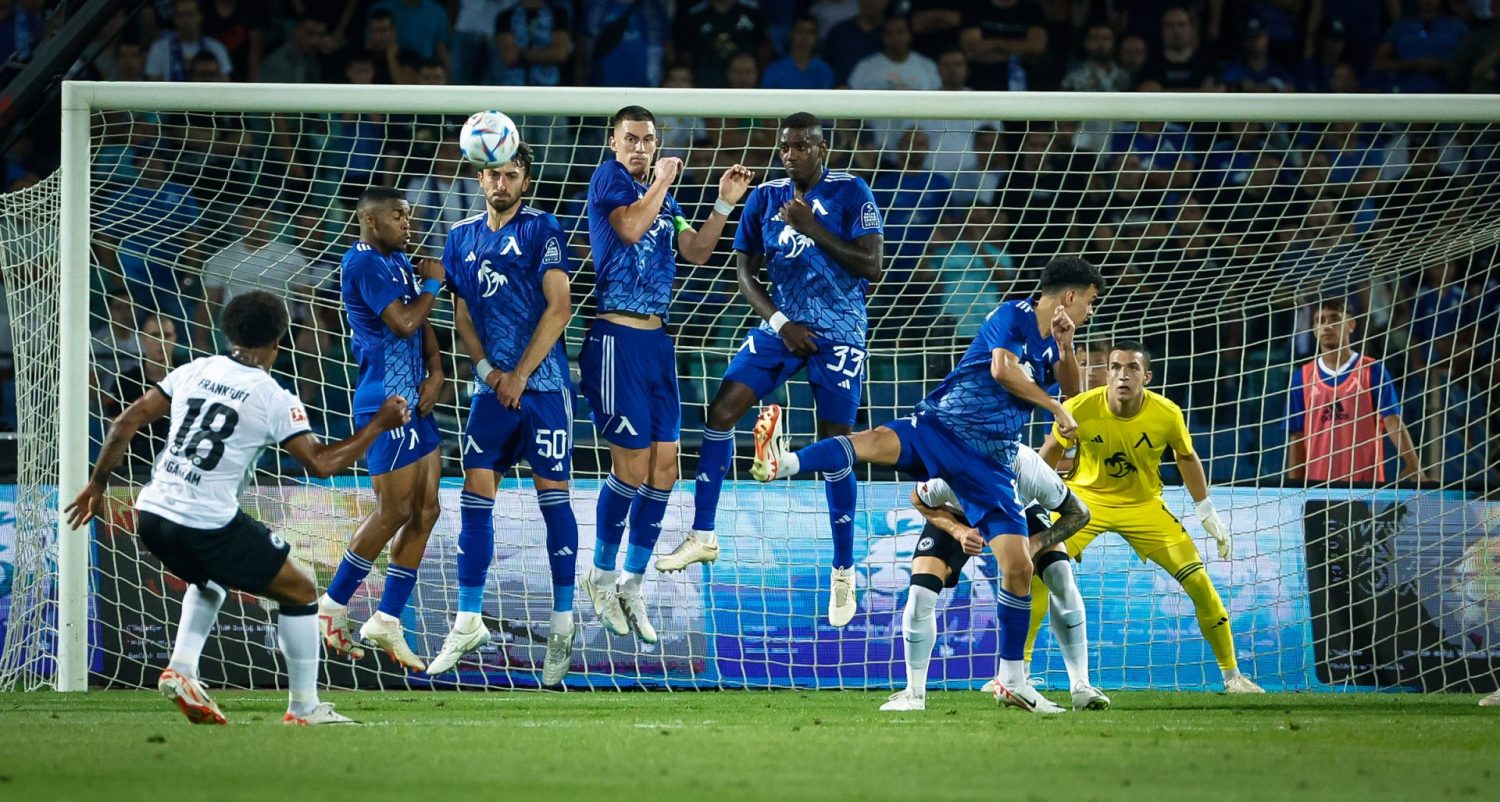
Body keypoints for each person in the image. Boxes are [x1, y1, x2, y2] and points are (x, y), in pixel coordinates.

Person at [752, 256, 1101, 713]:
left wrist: (1067, 346)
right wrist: (1053, 409)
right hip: (945, 427)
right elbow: (1002, 369)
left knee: (1019, 567)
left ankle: (1014, 679)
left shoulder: (1053, 341)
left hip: (989, 459)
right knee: (872, 441)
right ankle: (785, 463)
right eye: (1090, 302)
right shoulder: (1013, 314)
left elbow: (1073, 393)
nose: (1090, 311)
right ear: (1070, 295)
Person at [64, 291, 411, 725]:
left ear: (227, 332)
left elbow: (124, 422)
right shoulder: (273, 396)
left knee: (209, 579)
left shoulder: (195, 369)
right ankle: (304, 707)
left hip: (150, 513)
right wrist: (378, 424)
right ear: (278, 342)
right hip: (203, 522)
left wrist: (97, 483)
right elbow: (322, 464)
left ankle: (182, 668)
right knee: (302, 591)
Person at [660, 113, 883, 629]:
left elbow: (872, 265)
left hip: (840, 330)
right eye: (785, 147)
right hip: (782, 325)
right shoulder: (764, 198)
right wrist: (780, 323)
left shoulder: (851, 191)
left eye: (802, 146)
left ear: (822, 148)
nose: (791, 155)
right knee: (721, 410)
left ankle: (843, 568)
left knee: (837, 446)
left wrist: (813, 228)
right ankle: (704, 534)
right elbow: (744, 271)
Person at [577, 106, 753, 643]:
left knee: (665, 469)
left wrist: (724, 203)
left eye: (648, 140)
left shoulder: (666, 199)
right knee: (630, 469)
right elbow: (630, 228)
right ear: (613, 143)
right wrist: (660, 181)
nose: (640, 147)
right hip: (617, 339)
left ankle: (632, 582)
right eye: (630, 139)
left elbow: (696, 251)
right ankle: (599, 576)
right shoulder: (610, 180)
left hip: (658, 342)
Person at [425, 143, 580, 685]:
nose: (501, 183)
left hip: (545, 389)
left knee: (552, 499)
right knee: (475, 496)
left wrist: (519, 375)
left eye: (511, 175)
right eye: (493, 174)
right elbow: (463, 315)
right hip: (491, 390)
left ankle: (562, 624)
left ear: (526, 181)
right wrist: (491, 373)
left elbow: (560, 307)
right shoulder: (460, 236)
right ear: (480, 177)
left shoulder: (542, 228)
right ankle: (468, 620)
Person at [1029, 342, 1265, 694]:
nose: (1122, 375)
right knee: (1035, 574)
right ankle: (1016, 672)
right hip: (1085, 503)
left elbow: (1186, 456)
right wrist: (1030, 499)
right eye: (1115, 367)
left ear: (1147, 376)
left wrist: (1206, 510)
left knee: (1199, 582)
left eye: (1132, 368)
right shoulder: (1078, 407)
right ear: (1107, 373)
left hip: (1144, 506)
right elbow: (1049, 453)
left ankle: (1233, 677)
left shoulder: (1166, 413)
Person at [316, 186, 446, 673]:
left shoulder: (397, 262)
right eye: (398, 216)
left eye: (408, 216)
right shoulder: (363, 263)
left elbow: (423, 329)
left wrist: (437, 370)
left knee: (427, 510)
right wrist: (433, 285)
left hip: (416, 399)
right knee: (394, 510)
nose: (407, 224)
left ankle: (388, 618)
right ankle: (331, 608)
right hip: (386, 403)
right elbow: (404, 323)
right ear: (370, 220)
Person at [879, 444, 1108, 712]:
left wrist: (1036, 544)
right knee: (920, 593)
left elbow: (1080, 513)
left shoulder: (1030, 468)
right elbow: (918, 499)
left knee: (1059, 573)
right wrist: (958, 531)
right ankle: (914, 694)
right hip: (960, 515)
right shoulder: (947, 469)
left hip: (1019, 512)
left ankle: (1081, 686)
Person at [1287, 297, 1428, 484]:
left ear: (1351, 325)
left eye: (1335, 319)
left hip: (1366, 487)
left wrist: (1413, 464)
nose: (1327, 325)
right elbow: (1297, 436)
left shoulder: (1372, 371)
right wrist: (1294, 485)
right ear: (1314, 329)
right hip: (1318, 488)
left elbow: (1393, 421)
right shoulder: (1301, 378)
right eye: (1320, 320)